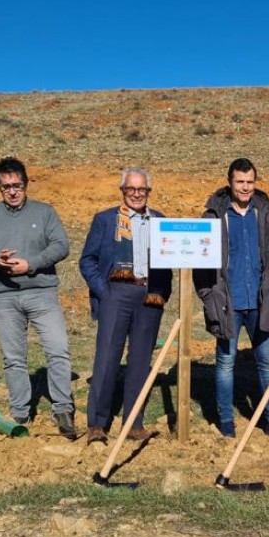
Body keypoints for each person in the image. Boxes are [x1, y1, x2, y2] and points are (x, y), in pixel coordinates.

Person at [0, 157, 76, 438]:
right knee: (14, 358)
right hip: (3, 296)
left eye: (17, 185)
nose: (12, 192)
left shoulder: (45, 213)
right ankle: (20, 411)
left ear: (27, 184)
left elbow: (61, 245)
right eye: (6, 187)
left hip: (42, 293)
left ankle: (63, 408)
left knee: (57, 350)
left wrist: (32, 264)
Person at [79, 168, 173, 444]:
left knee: (141, 362)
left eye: (141, 189)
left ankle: (134, 423)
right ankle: (97, 423)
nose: (136, 194)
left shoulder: (159, 220)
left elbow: (169, 257)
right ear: (122, 191)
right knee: (108, 358)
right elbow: (87, 260)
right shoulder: (106, 220)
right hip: (116, 293)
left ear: (149, 192)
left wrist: (163, 291)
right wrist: (104, 292)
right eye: (130, 189)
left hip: (149, 295)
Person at [193, 158, 269, 438]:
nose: (245, 187)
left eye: (250, 182)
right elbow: (200, 262)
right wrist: (209, 296)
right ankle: (226, 421)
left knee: (267, 363)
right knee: (226, 363)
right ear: (230, 182)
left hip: (260, 301)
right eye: (240, 182)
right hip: (227, 303)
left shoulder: (265, 214)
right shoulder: (214, 217)